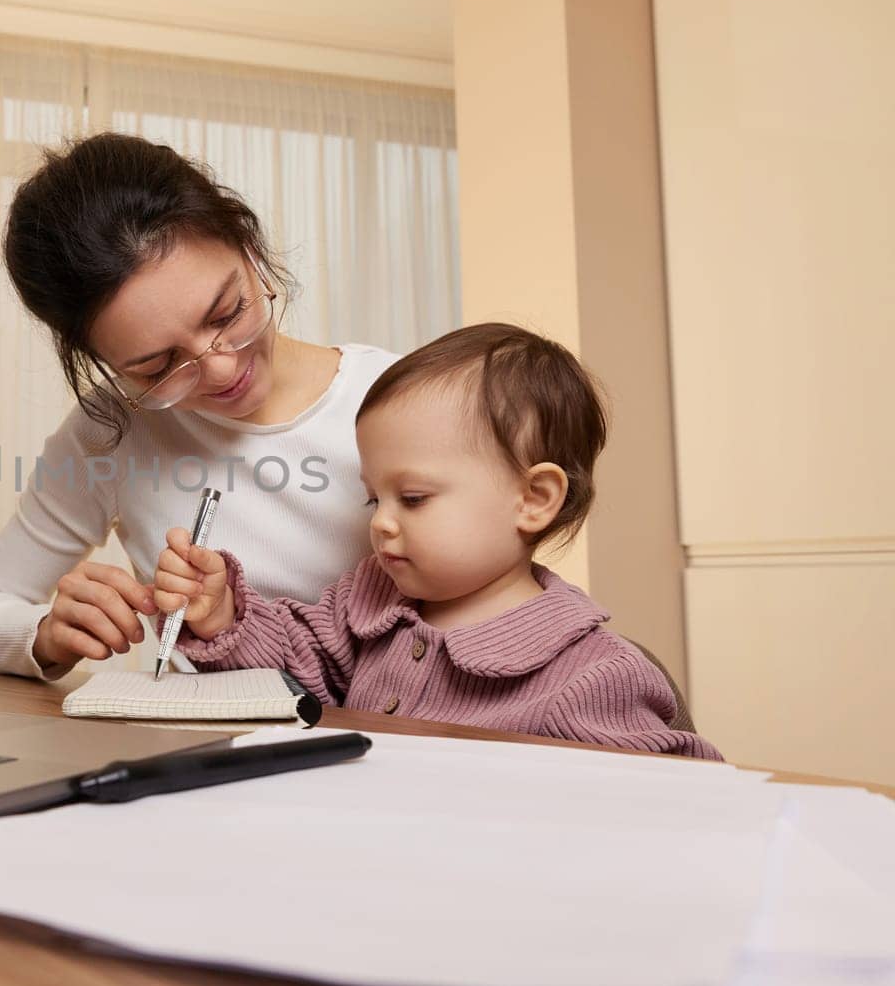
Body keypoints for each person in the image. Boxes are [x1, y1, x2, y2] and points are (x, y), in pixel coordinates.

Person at [152, 322, 720, 759]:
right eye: (374, 499)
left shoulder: (593, 676)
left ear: (535, 498)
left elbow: (686, 799)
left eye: (415, 498)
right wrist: (223, 615)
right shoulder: (368, 602)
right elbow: (292, 669)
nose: (381, 523)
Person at [0, 133, 399, 679]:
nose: (221, 369)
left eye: (227, 314)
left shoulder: (401, 395)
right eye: (158, 367)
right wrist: (45, 633)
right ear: (102, 360)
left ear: (249, 247)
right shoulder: (111, 431)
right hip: (215, 753)